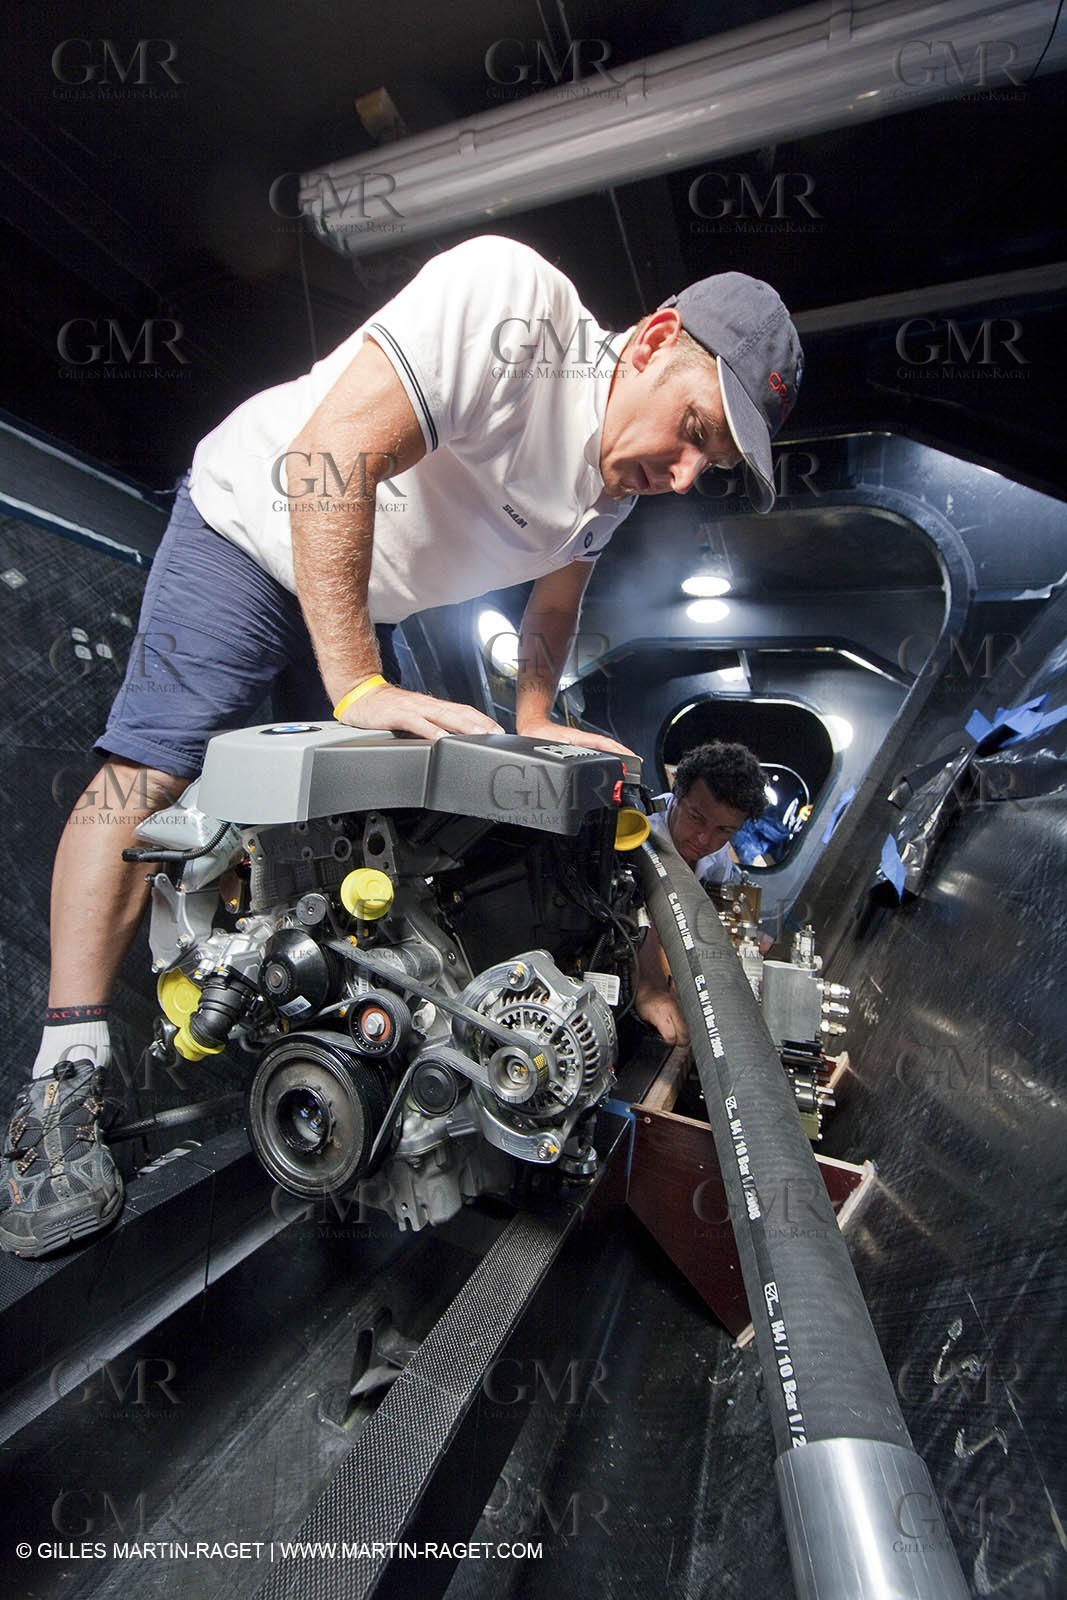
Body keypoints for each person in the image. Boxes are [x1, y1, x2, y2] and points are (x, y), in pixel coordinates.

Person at [0, 234, 802, 1256]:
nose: (684, 472)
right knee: (148, 772)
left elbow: (562, 587)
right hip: (254, 525)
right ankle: (57, 1087)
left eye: (712, 465)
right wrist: (359, 684)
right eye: (692, 428)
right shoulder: (515, 310)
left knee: (340, 828)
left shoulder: (614, 486)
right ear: (650, 340)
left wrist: (533, 711)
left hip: (351, 587)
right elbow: (326, 455)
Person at [635, 740, 772, 1047]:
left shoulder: (717, 855)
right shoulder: (641, 834)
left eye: (724, 831)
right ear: (678, 796)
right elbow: (636, 920)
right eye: (697, 817)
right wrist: (650, 990)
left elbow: (714, 906)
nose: (704, 839)